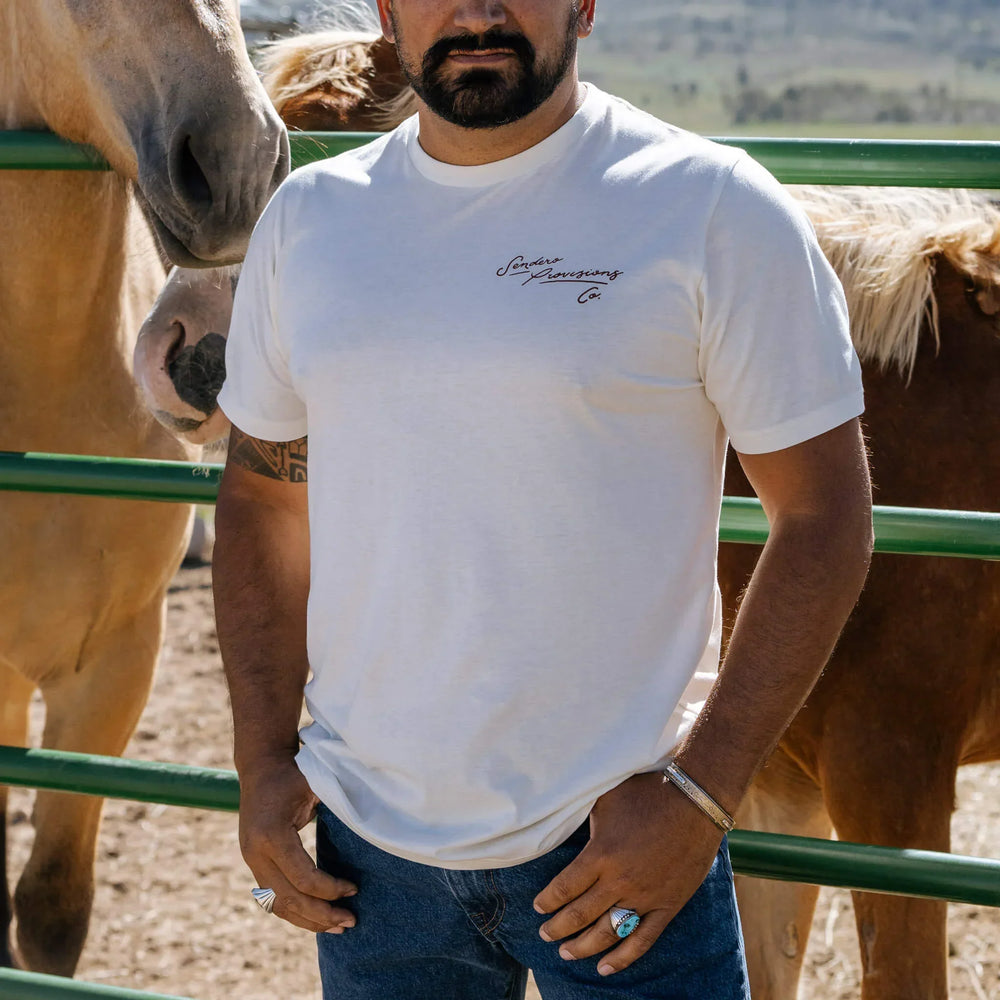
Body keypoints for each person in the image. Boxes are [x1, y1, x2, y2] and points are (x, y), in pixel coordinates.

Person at [212, 1, 873, 997]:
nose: (476, 12)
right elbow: (262, 499)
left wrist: (702, 792)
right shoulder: (310, 219)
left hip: (619, 851)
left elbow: (824, 515)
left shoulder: (708, 205)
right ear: (389, 10)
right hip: (367, 864)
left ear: (585, 4)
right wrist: (262, 761)